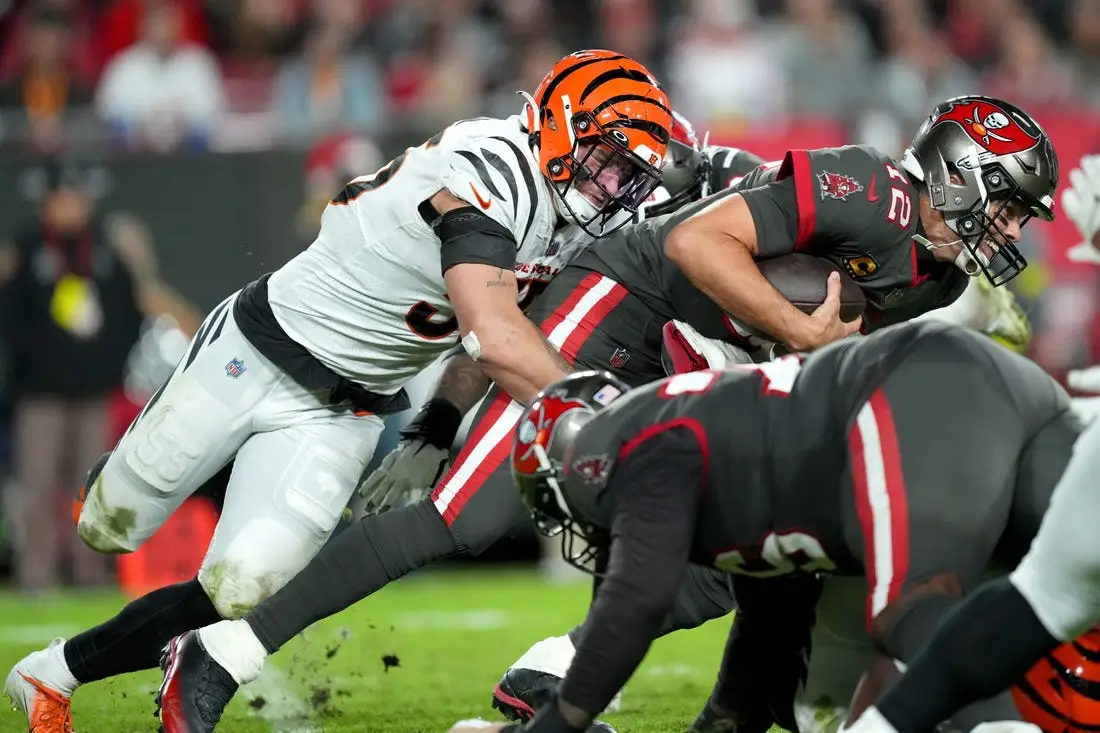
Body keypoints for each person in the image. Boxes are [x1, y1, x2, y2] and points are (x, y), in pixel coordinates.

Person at [154, 95, 1057, 733]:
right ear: (959, 172)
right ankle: (221, 650)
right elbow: (694, 241)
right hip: (625, 303)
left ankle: (555, 668)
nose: (1014, 231)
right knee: (465, 518)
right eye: (1010, 204)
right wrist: (797, 336)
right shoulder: (870, 189)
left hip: (706, 355)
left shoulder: (937, 277)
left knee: (739, 542)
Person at [4, 49, 673, 733]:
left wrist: (438, 421)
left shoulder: (577, 219)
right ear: (562, 127)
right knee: (108, 526)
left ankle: (47, 674)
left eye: (631, 173)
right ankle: (113, 474)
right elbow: (497, 334)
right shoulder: (493, 167)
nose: (615, 185)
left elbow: (483, 334)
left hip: (345, 409)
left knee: (239, 589)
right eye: (608, 159)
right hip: (259, 350)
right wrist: (612, 412)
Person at [454, 315, 1080, 733]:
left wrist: (554, 727)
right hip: (982, 383)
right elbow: (764, 636)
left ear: (575, 467)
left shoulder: (642, 446)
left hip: (909, 392)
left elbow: (635, 603)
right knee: (1075, 573)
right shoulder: (720, 459)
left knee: (910, 613)